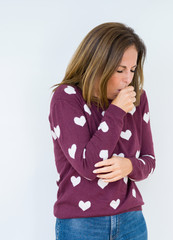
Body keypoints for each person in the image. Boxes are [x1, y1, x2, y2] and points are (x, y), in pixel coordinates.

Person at [48, 22, 156, 240]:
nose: (128, 78)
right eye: (120, 70)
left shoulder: (137, 99)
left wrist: (129, 166)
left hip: (131, 220)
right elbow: (89, 166)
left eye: (132, 70)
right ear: (98, 64)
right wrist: (116, 111)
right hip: (81, 223)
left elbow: (150, 160)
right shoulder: (67, 98)